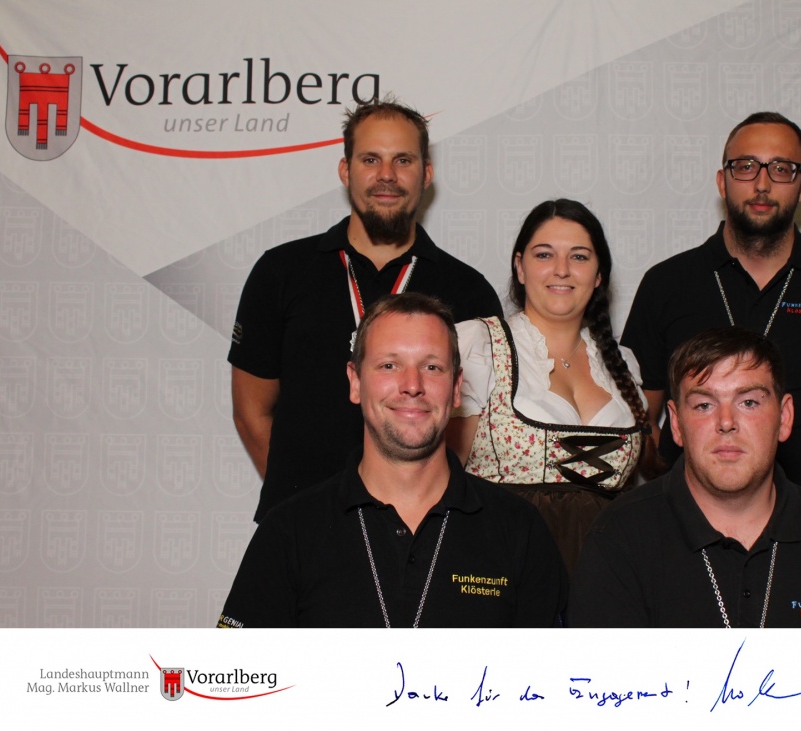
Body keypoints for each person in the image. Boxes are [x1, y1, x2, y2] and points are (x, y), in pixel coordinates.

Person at [229, 97, 503, 523]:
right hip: (302, 528)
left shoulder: (468, 291)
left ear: (426, 174)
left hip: (423, 528)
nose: (387, 175)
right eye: (371, 159)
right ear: (346, 170)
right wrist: (302, 508)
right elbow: (252, 412)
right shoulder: (281, 272)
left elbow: (474, 427)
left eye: (403, 160)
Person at [218, 293, 566, 628]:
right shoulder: (290, 531)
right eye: (389, 365)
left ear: (456, 387)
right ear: (355, 382)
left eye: (432, 367)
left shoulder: (519, 530)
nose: (412, 385)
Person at [621, 112, 801, 506]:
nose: (761, 183)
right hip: (683, 530)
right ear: (722, 181)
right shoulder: (668, 283)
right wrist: (671, 499)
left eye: (781, 169)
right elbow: (637, 421)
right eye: (745, 166)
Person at [569, 327, 801, 628]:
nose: (726, 422)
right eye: (704, 405)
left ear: (784, 417)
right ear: (677, 425)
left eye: (748, 402)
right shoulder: (619, 537)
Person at [447, 199, 656, 576]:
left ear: (599, 274)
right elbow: (442, 479)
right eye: (544, 254)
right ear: (520, 267)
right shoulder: (479, 345)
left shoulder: (622, 362)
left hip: (607, 577)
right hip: (501, 568)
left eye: (579, 257)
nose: (561, 269)